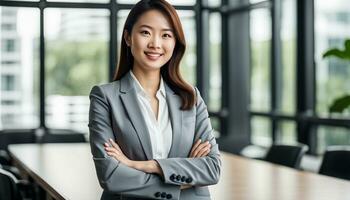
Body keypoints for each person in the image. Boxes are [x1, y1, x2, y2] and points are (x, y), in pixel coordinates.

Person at [88, 0, 221, 199]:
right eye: (145, 32)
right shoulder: (105, 97)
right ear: (128, 37)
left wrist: (142, 165)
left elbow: (211, 168)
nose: (155, 44)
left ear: (175, 42)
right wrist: (184, 179)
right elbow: (111, 176)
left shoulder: (190, 98)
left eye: (166, 35)